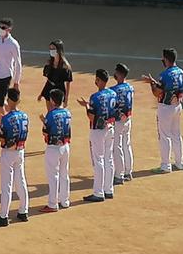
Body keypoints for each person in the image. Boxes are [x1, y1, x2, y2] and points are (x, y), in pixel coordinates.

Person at [0, 87, 28, 226]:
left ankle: (3, 215)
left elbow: (3, 139)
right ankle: (23, 211)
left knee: (7, 185)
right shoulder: (25, 116)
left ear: (9, 100)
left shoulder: (6, 118)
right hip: (21, 151)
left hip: (8, 153)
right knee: (21, 181)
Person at [144, 48, 183, 174]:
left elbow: (157, 92)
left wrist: (152, 84)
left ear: (166, 59)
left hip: (166, 108)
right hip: (177, 105)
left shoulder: (165, 74)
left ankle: (165, 165)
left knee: (164, 136)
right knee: (176, 134)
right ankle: (179, 163)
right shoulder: (181, 72)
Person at [77, 70, 117, 202]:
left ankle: (99, 192)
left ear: (99, 80)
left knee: (98, 160)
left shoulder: (94, 97)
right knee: (109, 158)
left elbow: (91, 116)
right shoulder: (113, 93)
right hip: (110, 127)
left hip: (98, 131)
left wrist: (87, 106)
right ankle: (109, 189)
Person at [40, 89, 72, 213]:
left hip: (53, 148)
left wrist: (44, 122)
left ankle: (53, 204)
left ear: (53, 101)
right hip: (65, 146)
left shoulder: (50, 115)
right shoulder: (67, 113)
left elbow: (45, 132)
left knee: (53, 176)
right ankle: (65, 200)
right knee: (64, 174)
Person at [111, 63, 135, 183]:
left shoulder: (113, 90)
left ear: (119, 74)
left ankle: (119, 175)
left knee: (117, 146)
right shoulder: (130, 88)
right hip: (128, 119)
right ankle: (128, 172)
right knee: (127, 145)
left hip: (118, 122)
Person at [39, 40, 73, 105]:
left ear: (59, 49)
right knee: (50, 112)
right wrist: (42, 93)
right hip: (49, 89)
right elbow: (48, 80)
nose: (51, 50)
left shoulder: (65, 66)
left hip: (59, 91)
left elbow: (68, 83)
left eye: (53, 48)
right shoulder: (49, 63)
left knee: (56, 110)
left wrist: (66, 98)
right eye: (50, 49)